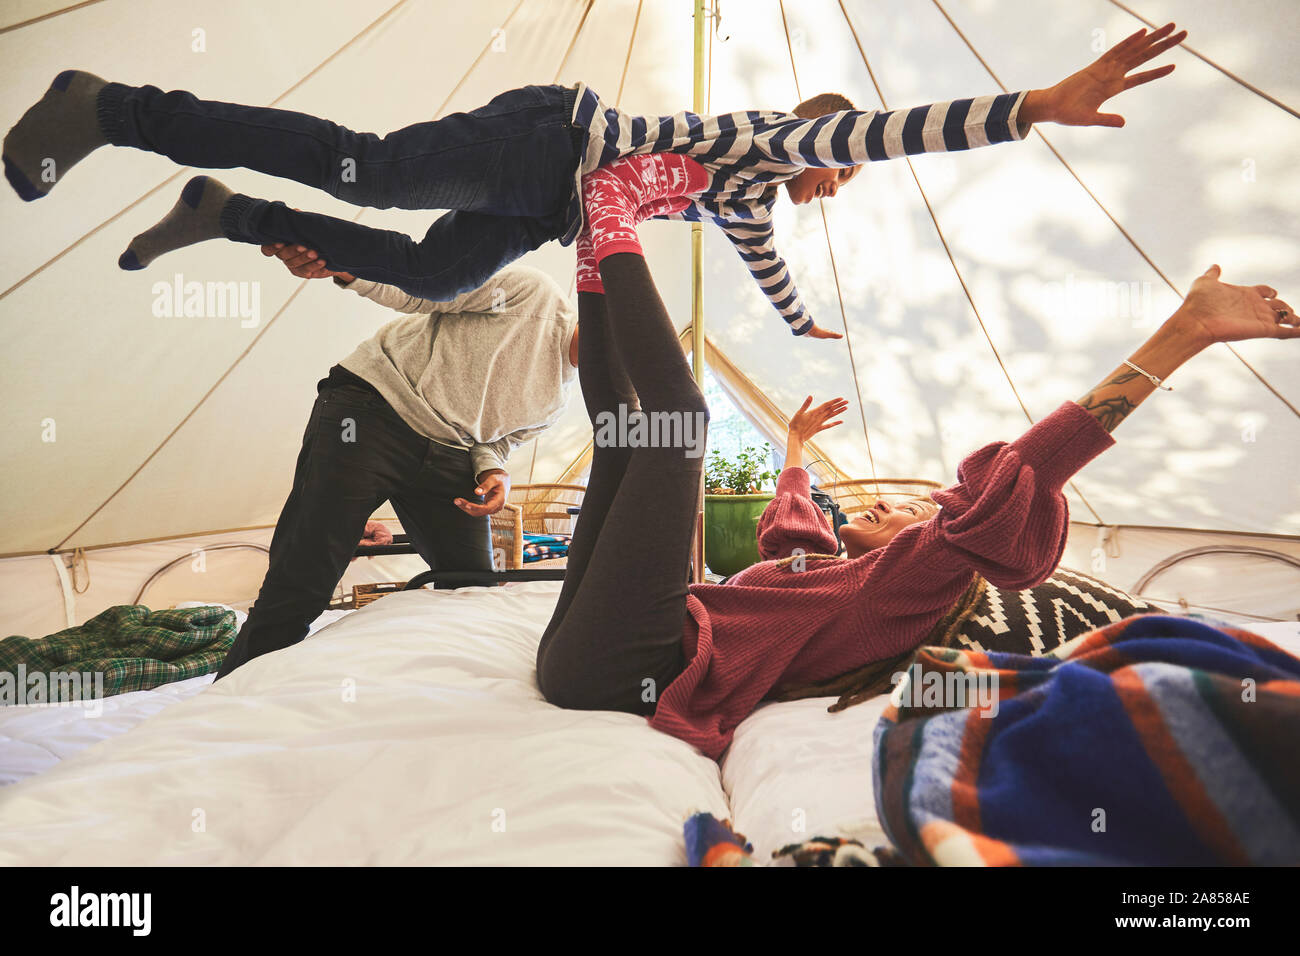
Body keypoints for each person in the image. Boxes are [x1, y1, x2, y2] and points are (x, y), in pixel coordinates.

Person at [534, 168, 1297, 759]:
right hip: (583, 651)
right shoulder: (821, 578)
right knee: (623, 436)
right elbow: (787, 535)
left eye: (911, 513)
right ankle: (589, 239)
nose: (887, 510)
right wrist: (795, 450)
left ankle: (615, 208)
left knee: (679, 425)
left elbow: (1028, 470)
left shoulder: (898, 590)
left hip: (632, 660)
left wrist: (1181, 333)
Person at [3, 25, 1187, 338]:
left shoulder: (739, 191)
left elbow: (757, 247)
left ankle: (232, 211)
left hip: (548, 203)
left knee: (426, 270)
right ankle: (111, 108)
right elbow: (881, 133)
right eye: (832, 165)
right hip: (548, 141)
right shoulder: (778, 137)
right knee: (365, 174)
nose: (831, 183)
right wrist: (1030, 106)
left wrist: (799, 316)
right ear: (816, 138)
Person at [214, 248, 578, 679]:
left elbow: (492, 444)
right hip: (372, 411)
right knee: (302, 585)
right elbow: (429, 289)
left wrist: (493, 471)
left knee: (472, 585)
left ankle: (434, 692)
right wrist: (355, 266)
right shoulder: (532, 295)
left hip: (450, 452)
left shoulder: (556, 401)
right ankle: (227, 702)